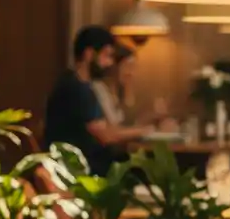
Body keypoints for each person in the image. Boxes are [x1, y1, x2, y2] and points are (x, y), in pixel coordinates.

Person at [43, 26, 152, 175]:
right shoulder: (75, 89)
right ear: (89, 54)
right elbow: (105, 136)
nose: (109, 63)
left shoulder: (80, 86)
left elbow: (105, 128)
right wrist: (146, 131)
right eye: (107, 56)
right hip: (81, 171)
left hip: (87, 165)